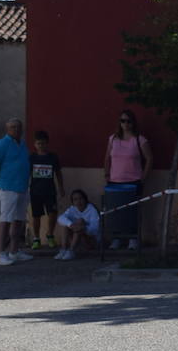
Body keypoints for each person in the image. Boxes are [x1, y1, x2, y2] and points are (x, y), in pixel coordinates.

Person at [103, 110, 151, 250]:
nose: (125, 124)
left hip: (133, 181)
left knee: (132, 211)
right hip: (114, 181)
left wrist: (143, 177)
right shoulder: (112, 139)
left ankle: (133, 238)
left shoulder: (140, 139)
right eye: (122, 121)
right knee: (115, 211)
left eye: (128, 121)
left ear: (133, 123)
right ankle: (117, 238)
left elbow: (149, 158)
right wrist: (107, 174)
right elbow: (107, 157)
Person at [0, 118, 32, 266]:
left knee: (19, 219)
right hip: (7, 187)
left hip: (22, 186)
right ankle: (1, 253)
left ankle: (14, 251)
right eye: (12, 127)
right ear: (7, 129)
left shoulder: (22, 144)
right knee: (5, 220)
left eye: (18, 127)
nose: (16, 130)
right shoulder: (2, 144)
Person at [28, 130, 64, 251]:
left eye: (43, 143)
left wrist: (61, 187)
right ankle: (36, 239)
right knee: (36, 216)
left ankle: (50, 235)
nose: (41, 146)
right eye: (38, 143)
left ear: (47, 143)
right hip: (35, 192)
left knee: (52, 213)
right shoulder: (32, 158)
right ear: (34, 144)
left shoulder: (53, 157)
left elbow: (58, 173)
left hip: (50, 191)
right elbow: (27, 173)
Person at [54, 189, 100, 260]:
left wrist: (84, 228)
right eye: (75, 199)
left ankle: (71, 251)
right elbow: (60, 218)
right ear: (73, 202)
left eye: (81, 198)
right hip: (76, 240)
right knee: (66, 225)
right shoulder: (72, 209)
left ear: (85, 199)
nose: (78, 201)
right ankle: (64, 250)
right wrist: (71, 225)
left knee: (80, 222)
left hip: (91, 241)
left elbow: (95, 229)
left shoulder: (91, 209)